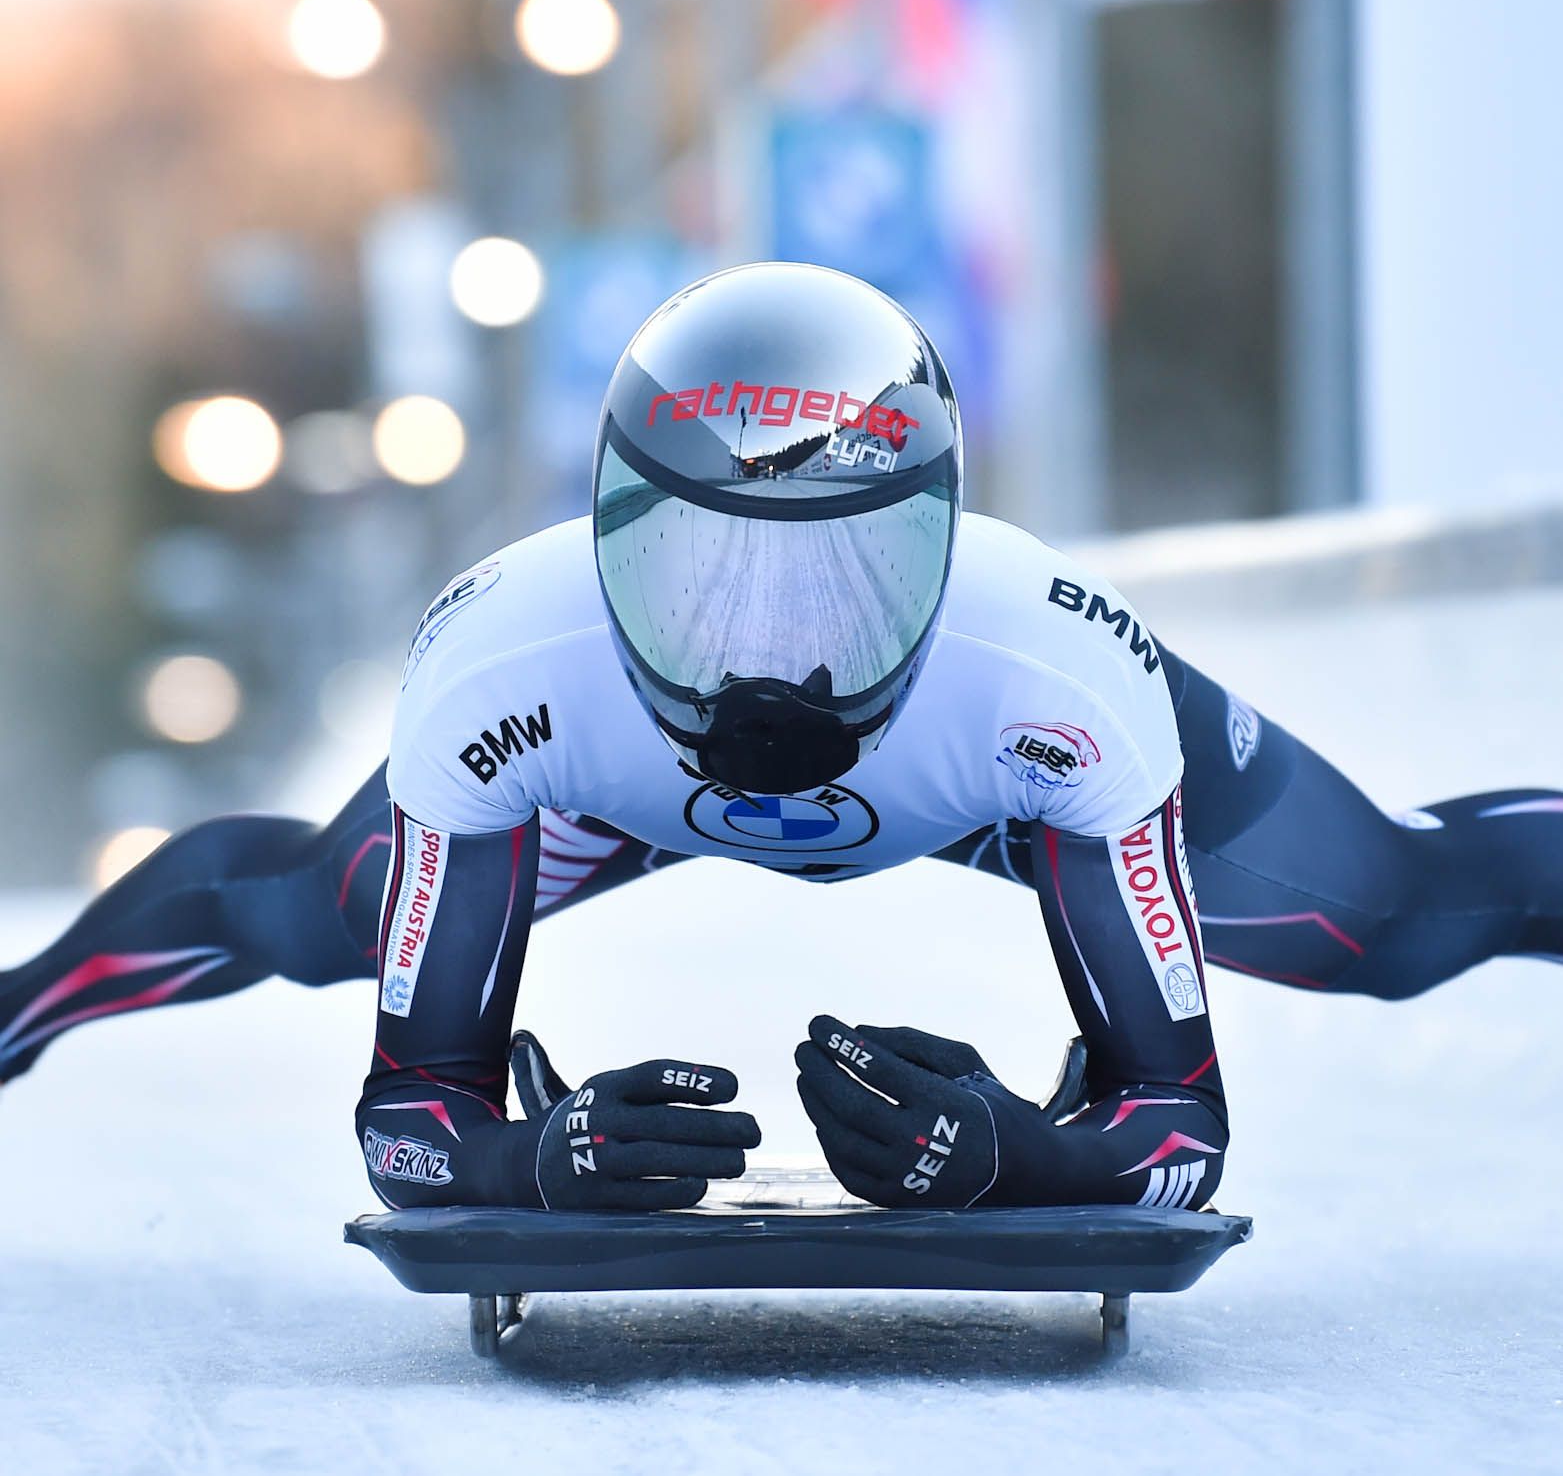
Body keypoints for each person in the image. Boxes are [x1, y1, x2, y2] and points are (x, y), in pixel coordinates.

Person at [5, 263, 1561, 1215]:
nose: (767, 665)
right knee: (315, 912)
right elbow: (415, 1115)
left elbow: (1174, 1125)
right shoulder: (498, 665)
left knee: (1386, 916)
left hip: (974, 778)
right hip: (646, 777)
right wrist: (514, 1157)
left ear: (942, 546)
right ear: (605, 536)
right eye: (706, 570)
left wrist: (1036, 1155)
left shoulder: (1059, 676)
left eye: (838, 572)